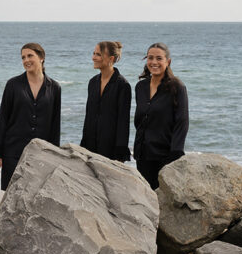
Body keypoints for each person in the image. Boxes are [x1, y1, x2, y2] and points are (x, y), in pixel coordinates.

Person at [0, 42, 61, 191]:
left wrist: (55, 154)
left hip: (41, 155)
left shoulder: (54, 87)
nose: (26, 60)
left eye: (30, 56)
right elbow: (3, 118)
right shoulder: (13, 85)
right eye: (23, 57)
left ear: (41, 57)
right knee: (9, 195)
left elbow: (55, 124)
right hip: (12, 152)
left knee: (36, 196)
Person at [133, 42, 189, 190]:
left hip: (166, 157)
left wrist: (175, 155)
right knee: (146, 200)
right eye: (150, 58)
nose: (154, 62)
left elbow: (182, 123)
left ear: (168, 61)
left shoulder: (177, 87)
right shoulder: (140, 87)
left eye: (159, 58)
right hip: (143, 155)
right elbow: (139, 120)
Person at [80, 40, 132, 162]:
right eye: (93, 53)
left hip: (111, 149)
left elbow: (123, 122)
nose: (93, 57)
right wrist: (83, 145)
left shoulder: (122, 85)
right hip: (90, 146)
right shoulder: (92, 82)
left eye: (98, 54)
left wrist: (120, 152)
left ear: (111, 58)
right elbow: (89, 117)